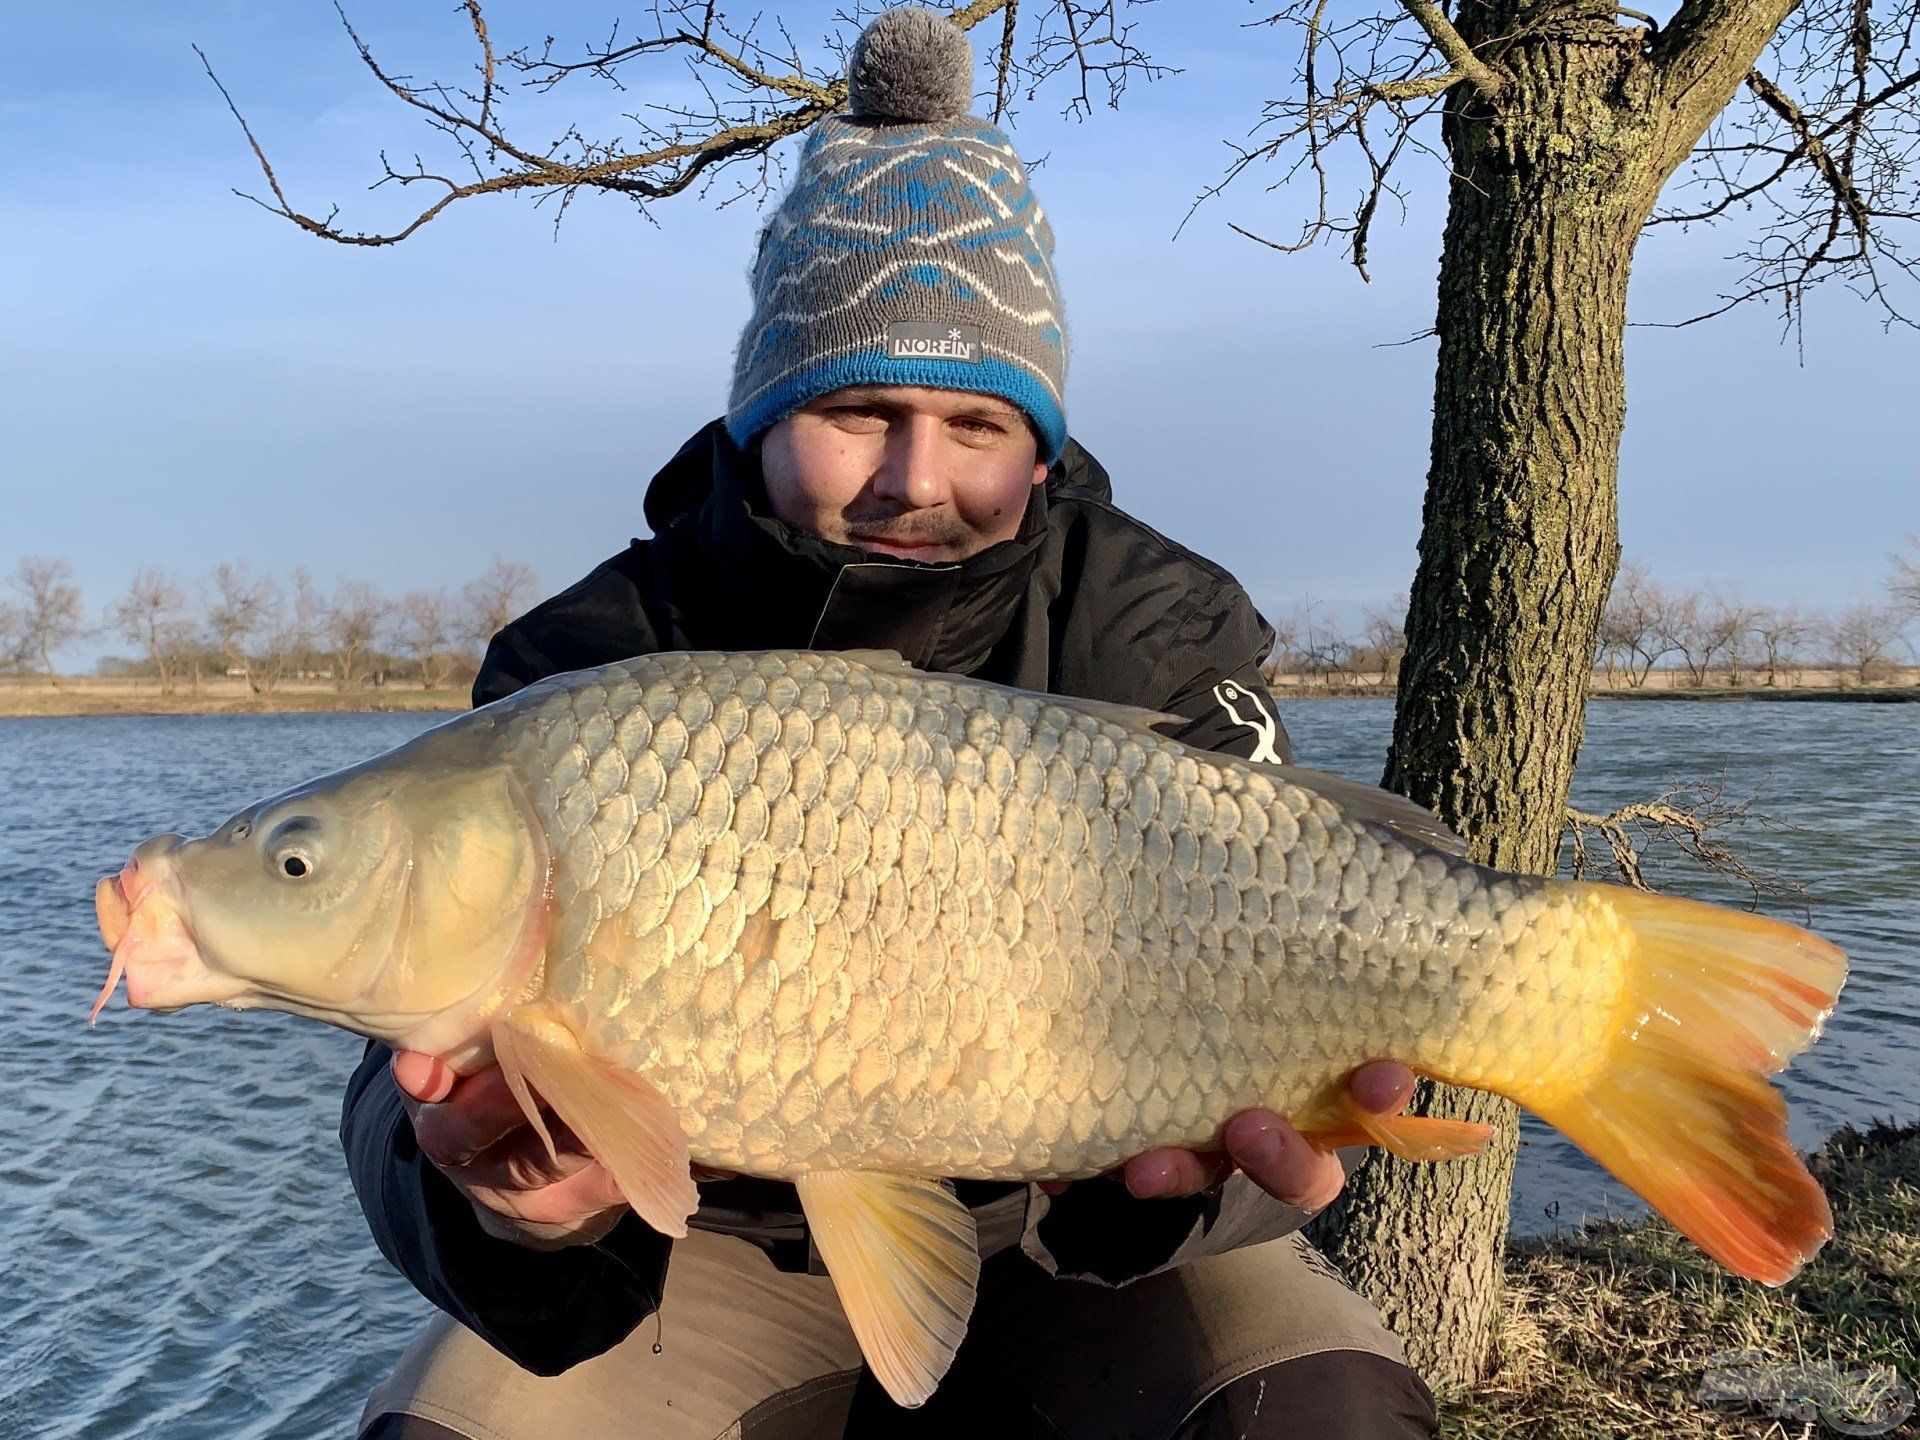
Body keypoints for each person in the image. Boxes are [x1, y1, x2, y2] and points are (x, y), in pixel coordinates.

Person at [345, 10, 1438, 1437]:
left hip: (1071, 1240)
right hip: (703, 1249)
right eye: (859, 409)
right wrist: (514, 1212)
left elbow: (1264, 998)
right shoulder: (585, 666)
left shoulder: (1160, 623)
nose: (916, 478)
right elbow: (399, 1083)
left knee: (1322, 1413)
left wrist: (1185, 1188)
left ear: (1039, 443)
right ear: (760, 413)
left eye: (977, 426)